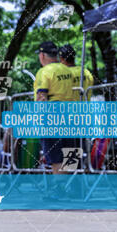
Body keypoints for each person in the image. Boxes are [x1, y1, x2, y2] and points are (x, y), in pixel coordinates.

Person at [34, 41, 76, 174]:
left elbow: (42, 97)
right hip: (70, 113)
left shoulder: (44, 71)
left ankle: (59, 190)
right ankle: (69, 189)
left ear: (42, 56)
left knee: (55, 156)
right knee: (67, 155)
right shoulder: (67, 70)